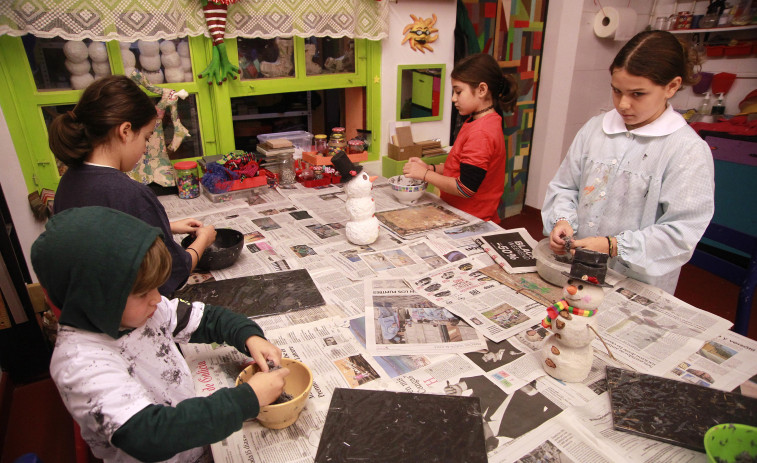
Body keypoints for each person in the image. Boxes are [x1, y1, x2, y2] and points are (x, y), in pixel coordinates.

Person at [31, 206, 289, 462]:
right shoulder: (79, 363)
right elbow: (148, 435)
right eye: (144, 293)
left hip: (193, 439)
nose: (157, 299)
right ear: (96, 300)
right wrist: (246, 400)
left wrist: (248, 336)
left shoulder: (144, 310)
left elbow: (207, 320)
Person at [541, 30, 715, 294]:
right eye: (616, 90)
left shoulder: (686, 150)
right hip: (578, 272)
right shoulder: (595, 130)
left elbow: (681, 232)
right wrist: (562, 221)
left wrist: (614, 246)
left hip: (638, 283)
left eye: (637, 94)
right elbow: (566, 187)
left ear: (672, 86)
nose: (623, 104)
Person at [48, 75, 216, 296]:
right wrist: (204, 239)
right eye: (146, 138)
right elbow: (172, 274)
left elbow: (107, 229)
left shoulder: (70, 180)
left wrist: (168, 226)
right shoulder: (131, 193)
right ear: (125, 131)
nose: (146, 148)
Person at [402, 53, 518, 223]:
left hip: (471, 220)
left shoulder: (482, 133)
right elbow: (458, 167)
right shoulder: (478, 122)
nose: (453, 98)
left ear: (482, 90)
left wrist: (425, 174)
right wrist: (430, 168)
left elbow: (465, 188)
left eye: (458, 92)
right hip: (458, 213)